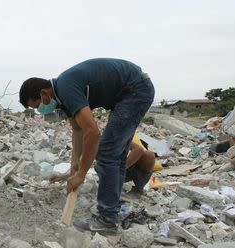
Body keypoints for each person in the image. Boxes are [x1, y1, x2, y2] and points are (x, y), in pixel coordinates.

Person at [19, 58, 155, 234]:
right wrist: (74, 169)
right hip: (131, 91)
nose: (40, 111)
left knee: (107, 151)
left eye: (38, 106)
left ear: (44, 93)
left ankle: (107, 219)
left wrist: (82, 174)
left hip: (136, 90)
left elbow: (92, 132)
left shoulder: (66, 87)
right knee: (117, 155)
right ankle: (111, 209)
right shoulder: (61, 96)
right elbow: (78, 131)